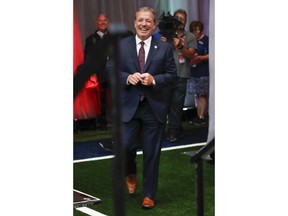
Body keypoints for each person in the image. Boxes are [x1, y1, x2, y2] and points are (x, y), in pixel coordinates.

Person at [105, 6, 177, 209]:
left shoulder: (164, 47)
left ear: (154, 25)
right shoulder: (121, 45)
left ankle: (149, 194)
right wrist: (127, 77)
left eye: (148, 21)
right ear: (134, 22)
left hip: (154, 108)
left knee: (152, 153)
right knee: (126, 146)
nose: (144, 24)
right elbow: (110, 71)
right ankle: (130, 172)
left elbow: (172, 75)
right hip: (129, 107)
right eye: (140, 20)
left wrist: (154, 80)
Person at [156, 9, 197, 142]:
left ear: (186, 21)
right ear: (174, 19)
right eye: (177, 18)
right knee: (165, 104)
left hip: (182, 75)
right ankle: (175, 129)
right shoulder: (164, 34)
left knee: (177, 105)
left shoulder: (190, 36)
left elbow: (191, 55)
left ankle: (173, 132)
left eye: (183, 18)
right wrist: (160, 44)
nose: (180, 20)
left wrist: (180, 46)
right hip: (165, 74)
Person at [84, 14, 111, 130]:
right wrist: (92, 74)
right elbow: (88, 58)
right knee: (102, 100)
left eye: (104, 20)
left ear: (108, 22)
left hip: (114, 72)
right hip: (99, 74)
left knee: (117, 98)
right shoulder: (91, 39)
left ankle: (117, 122)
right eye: (100, 21)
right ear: (97, 23)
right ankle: (102, 124)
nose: (103, 23)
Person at [189, 21, 209, 125]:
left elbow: (212, 54)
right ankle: (198, 115)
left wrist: (201, 57)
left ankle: (202, 116)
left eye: (197, 29)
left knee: (203, 94)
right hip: (193, 71)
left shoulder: (206, 40)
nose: (196, 31)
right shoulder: (191, 40)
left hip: (203, 71)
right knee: (196, 95)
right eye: (194, 30)